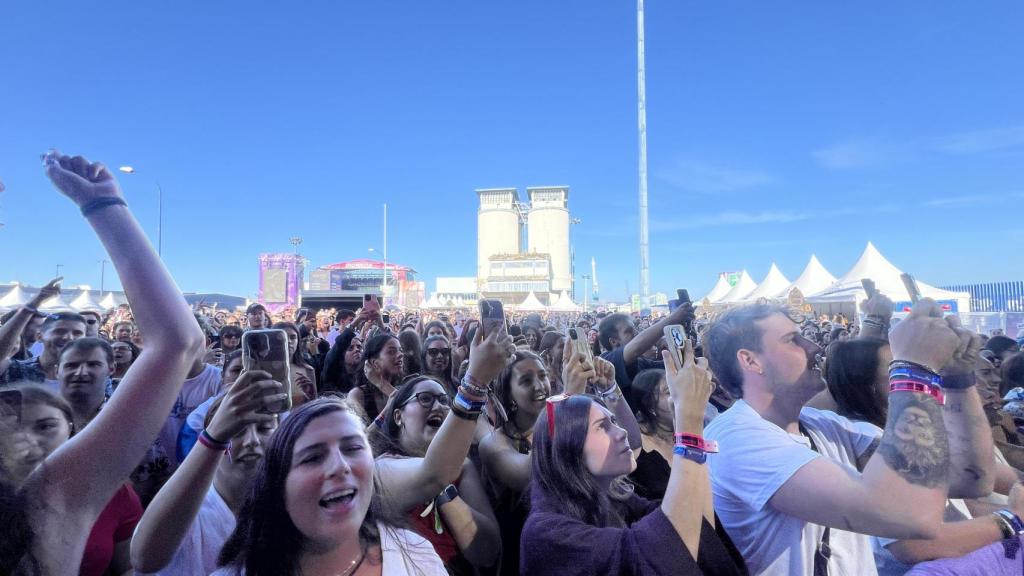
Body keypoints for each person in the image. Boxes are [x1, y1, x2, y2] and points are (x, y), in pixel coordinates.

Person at [0, 150, 206, 575]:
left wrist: (103, 203)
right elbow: (176, 342)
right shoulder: (49, 505)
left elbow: (177, 344)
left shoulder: (41, 510)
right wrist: (102, 205)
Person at [703, 300, 995, 575]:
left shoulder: (824, 424)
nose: (814, 346)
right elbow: (909, 515)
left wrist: (958, 379)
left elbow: (970, 478)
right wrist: (914, 367)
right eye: (793, 339)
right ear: (751, 361)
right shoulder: (735, 438)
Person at [521, 339, 747, 575]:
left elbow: (698, 529)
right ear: (569, 448)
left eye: (614, 422)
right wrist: (688, 425)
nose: (621, 433)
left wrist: (690, 425)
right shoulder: (545, 533)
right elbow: (666, 555)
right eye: (602, 427)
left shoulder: (616, 497)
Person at [212, 396, 448, 575]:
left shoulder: (416, 553)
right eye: (313, 457)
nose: (340, 466)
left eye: (353, 448)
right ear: (278, 486)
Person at [370, 329, 511, 573]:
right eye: (425, 398)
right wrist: (476, 382)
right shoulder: (383, 468)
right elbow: (432, 474)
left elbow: (487, 551)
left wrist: (446, 492)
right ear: (398, 415)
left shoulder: (462, 467)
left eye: (445, 401)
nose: (438, 406)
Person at [130, 370, 281, 575]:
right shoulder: (186, 507)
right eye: (236, 431)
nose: (252, 441)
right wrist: (214, 438)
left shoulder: (287, 504)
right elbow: (143, 559)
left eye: (263, 429)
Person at [1, 311, 86, 388]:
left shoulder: (89, 376)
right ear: (39, 336)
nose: (69, 338)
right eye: (59, 331)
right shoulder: (15, 371)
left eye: (77, 333)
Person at [626, 368, 676, 500]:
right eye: (669, 391)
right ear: (650, 406)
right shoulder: (636, 446)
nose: (680, 395)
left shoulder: (697, 427)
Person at [348, 333, 402, 421]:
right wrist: (385, 413)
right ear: (374, 363)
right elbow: (365, 433)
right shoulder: (357, 395)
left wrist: (380, 383)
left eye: (400, 350)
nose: (400, 355)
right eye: (391, 351)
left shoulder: (404, 385)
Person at [272, 322, 317, 406]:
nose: (288, 341)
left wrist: (311, 394)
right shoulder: (263, 369)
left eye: (293, 337)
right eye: (283, 337)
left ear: (298, 340)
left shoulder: (308, 370)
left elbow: (313, 405)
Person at [319, 329, 363, 395]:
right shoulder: (332, 378)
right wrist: (355, 322)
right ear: (342, 355)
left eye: (359, 347)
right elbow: (337, 347)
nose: (356, 350)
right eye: (350, 348)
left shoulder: (366, 377)